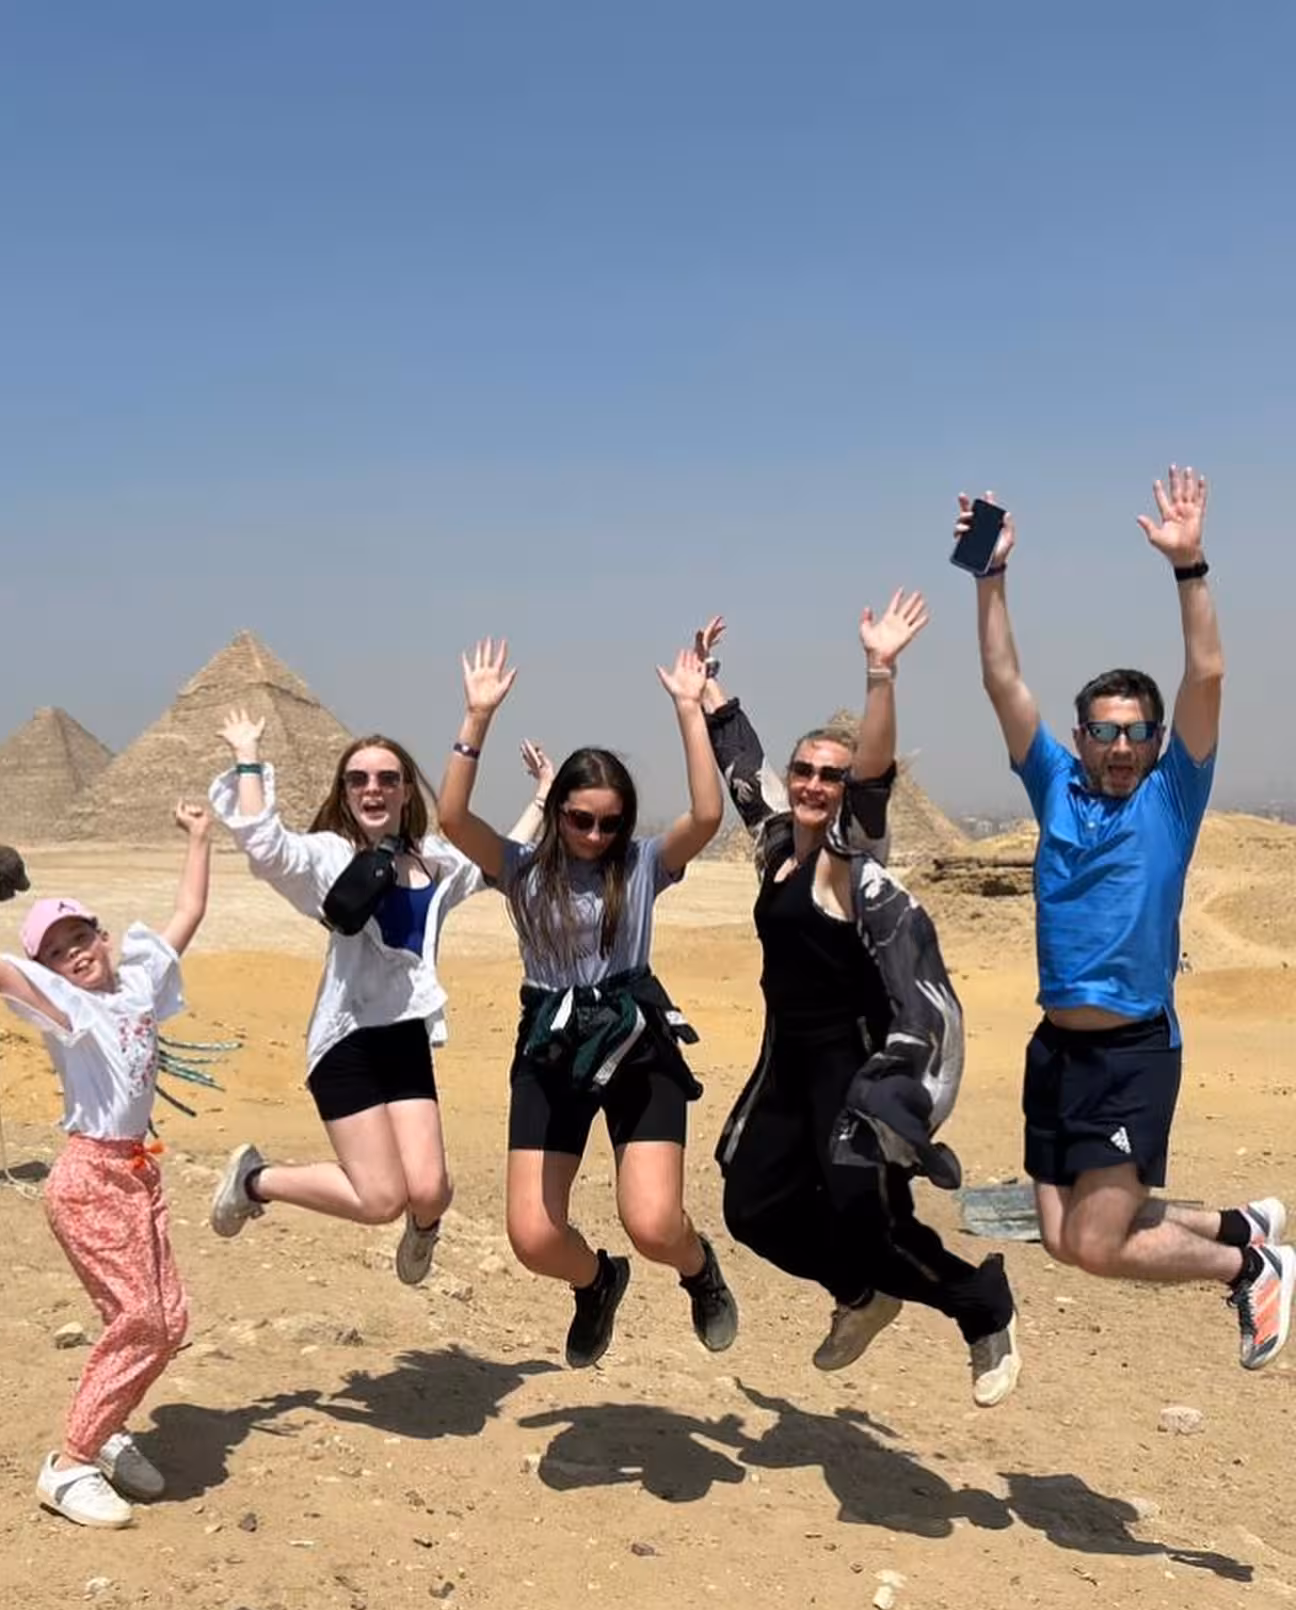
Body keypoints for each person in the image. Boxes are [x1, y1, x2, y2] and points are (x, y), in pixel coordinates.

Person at [964, 466, 1292, 1369]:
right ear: (1079, 739)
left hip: (1132, 1051)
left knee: (1102, 1245)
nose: (1118, 746)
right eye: (1102, 731)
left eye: (1133, 732)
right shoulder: (1054, 789)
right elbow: (1001, 679)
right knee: (1067, 1239)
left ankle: (1248, 1265)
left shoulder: (1172, 799)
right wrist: (989, 574)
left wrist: (1190, 568)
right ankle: (1237, 1222)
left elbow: (1210, 673)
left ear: (1155, 741)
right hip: (1055, 1048)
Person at [697, 600, 1020, 1405]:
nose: (811, 785)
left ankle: (980, 1306)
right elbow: (744, 773)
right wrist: (708, 696)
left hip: (853, 1064)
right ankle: (860, 1294)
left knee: (868, 1219)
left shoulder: (846, 859)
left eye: (828, 776)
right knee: (753, 1208)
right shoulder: (777, 844)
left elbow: (874, 779)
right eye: (805, 771)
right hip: (787, 1065)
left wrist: (881, 673)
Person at [436, 637, 739, 1367]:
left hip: (634, 1038)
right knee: (536, 1239)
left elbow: (705, 814)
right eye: (580, 819)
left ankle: (701, 1273)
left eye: (609, 822)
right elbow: (451, 818)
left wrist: (689, 709)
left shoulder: (641, 866)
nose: (595, 835)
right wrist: (475, 719)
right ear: (557, 813)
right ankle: (599, 1283)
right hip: (551, 1045)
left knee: (656, 1222)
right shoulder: (518, 871)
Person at [0, 804, 213, 1528]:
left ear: (104, 937)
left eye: (82, 937)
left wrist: (200, 837)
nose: (76, 953)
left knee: (167, 1319)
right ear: (47, 971)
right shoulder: (67, 1009)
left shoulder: (137, 984)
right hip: (89, 1178)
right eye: (58, 951)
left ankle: (107, 1433)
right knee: (140, 1316)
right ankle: (71, 1462)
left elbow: (190, 909)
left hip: (139, 1174)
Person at [207, 711, 547, 1283]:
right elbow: (265, 849)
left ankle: (425, 1226)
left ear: (406, 789)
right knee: (380, 1198)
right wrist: (247, 758)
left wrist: (540, 795)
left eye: (387, 778)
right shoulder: (325, 858)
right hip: (347, 1042)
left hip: (405, 1038)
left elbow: (501, 858)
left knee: (431, 1191)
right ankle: (255, 1179)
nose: (373, 788)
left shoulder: (436, 861)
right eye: (358, 779)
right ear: (343, 792)